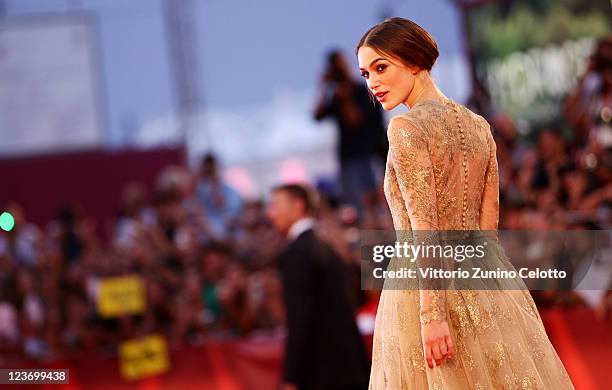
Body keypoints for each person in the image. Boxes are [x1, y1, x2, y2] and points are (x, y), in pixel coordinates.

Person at [356, 17, 574, 389]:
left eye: (381, 67)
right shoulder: (478, 126)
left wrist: (432, 317)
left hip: (424, 289)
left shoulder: (405, 129)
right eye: (365, 74)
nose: (372, 83)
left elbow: (426, 231)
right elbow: (488, 236)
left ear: (413, 61)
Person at [266, 184, 370, 390]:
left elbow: (300, 319)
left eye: (275, 205)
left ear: (298, 205)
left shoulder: (297, 253)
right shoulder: (328, 246)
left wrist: (291, 376)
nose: (270, 213)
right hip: (352, 366)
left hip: (322, 374)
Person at [314, 50, 388, 217]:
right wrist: (323, 87)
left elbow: (355, 120)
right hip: (348, 156)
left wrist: (345, 98)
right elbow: (317, 116)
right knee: (356, 203)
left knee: (372, 200)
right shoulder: (335, 95)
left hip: (368, 152)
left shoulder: (362, 91)